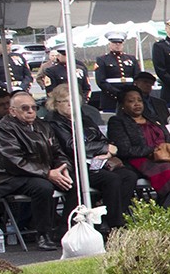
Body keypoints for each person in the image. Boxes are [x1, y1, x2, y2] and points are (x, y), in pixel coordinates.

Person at [42, 81, 136, 234]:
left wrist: (107, 152)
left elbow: (101, 138)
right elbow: (73, 146)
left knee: (128, 176)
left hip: (97, 161)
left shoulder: (84, 118)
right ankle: (115, 226)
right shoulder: (53, 122)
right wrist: (104, 148)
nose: (70, 104)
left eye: (73, 100)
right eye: (65, 101)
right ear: (55, 103)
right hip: (74, 165)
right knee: (111, 179)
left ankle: (111, 218)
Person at [0, 90, 72, 245]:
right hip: (11, 177)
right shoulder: (3, 129)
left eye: (34, 108)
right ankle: (43, 234)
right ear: (12, 111)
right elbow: (13, 161)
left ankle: (65, 229)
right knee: (43, 187)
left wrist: (63, 168)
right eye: (25, 108)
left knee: (74, 182)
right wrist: (47, 173)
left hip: (42, 172)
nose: (31, 111)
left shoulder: (43, 126)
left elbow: (58, 152)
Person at [106, 88, 170, 201]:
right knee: (167, 168)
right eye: (131, 101)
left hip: (164, 156)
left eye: (139, 100)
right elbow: (124, 149)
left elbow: (169, 140)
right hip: (139, 159)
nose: (137, 104)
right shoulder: (117, 122)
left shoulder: (154, 120)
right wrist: (153, 150)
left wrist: (166, 151)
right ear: (122, 105)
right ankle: (169, 209)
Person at [93, 31, 140, 113]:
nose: (117, 45)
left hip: (130, 97)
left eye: (120, 43)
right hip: (110, 98)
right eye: (114, 43)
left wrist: (130, 93)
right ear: (109, 44)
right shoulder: (102, 60)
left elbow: (138, 77)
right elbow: (101, 81)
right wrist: (117, 93)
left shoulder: (131, 59)